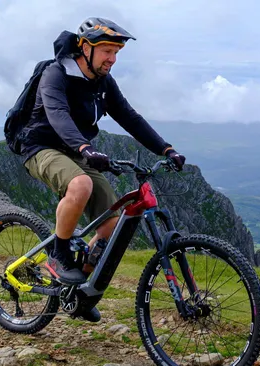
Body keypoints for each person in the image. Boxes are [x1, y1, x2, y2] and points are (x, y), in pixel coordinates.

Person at [18, 17, 186, 321]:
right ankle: (59, 255)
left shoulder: (103, 83)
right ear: (84, 47)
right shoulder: (55, 74)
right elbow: (57, 114)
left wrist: (166, 148)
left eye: (116, 52)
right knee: (80, 185)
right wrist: (85, 148)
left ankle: (77, 295)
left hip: (77, 151)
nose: (113, 59)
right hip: (40, 147)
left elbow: (130, 118)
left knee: (111, 224)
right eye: (107, 50)